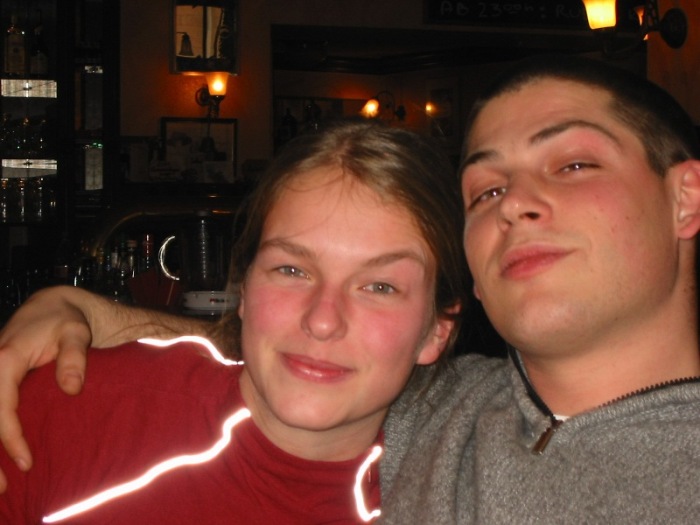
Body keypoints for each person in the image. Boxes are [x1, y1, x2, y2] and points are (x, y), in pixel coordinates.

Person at [3, 54, 700, 522]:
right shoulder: (446, 413)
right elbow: (294, 356)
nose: (514, 202)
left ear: (686, 196)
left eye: (574, 164)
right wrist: (84, 313)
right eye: (486, 189)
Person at [0, 118, 466, 523]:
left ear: (437, 330)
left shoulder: (469, 493)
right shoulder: (67, 410)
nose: (323, 322)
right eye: (291, 270)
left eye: (379, 287)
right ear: (243, 287)